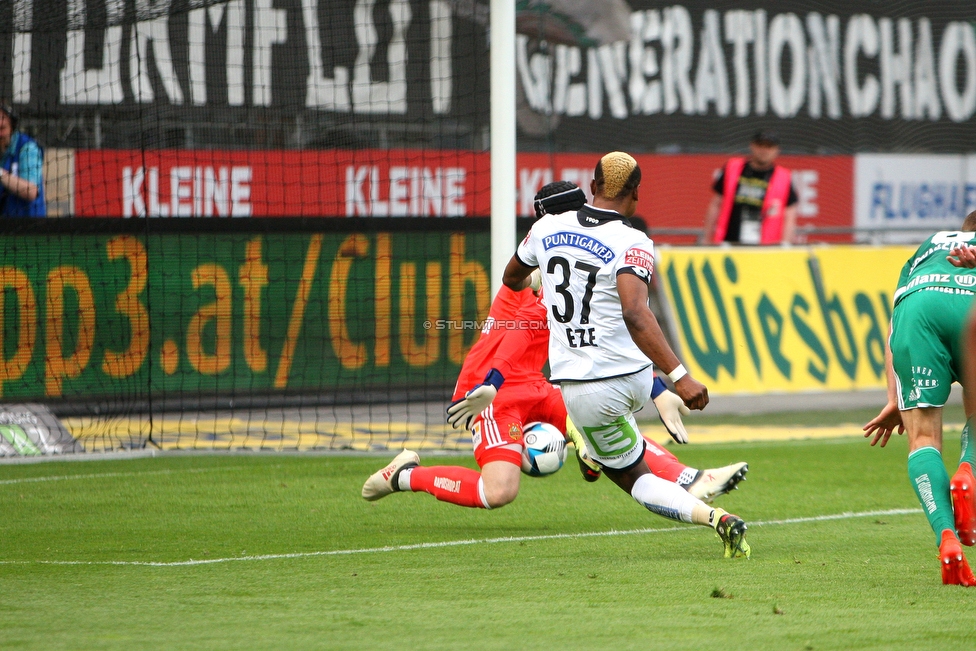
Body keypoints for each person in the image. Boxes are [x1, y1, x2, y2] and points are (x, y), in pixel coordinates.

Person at [360, 182, 748, 512]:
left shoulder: (573, 268)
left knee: (608, 418)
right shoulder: (534, 274)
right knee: (499, 491)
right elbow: (519, 334)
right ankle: (406, 476)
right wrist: (493, 382)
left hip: (536, 385)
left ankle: (692, 479)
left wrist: (657, 388)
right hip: (490, 391)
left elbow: (607, 342)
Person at [502, 152, 751, 558]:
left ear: (593, 185)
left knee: (635, 477)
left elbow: (511, 277)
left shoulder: (546, 227)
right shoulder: (634, 240)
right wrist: (674, 377)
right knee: (616, 442)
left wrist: (540, 277)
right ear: (635, 195)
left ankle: (713, 517)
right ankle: (596, 450)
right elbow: (635, 310)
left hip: (587, 388)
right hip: (638, 377)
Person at [863, 213, 976, 586]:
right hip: (970, 308)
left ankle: (947, 538)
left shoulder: (928, 246)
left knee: (923, 438)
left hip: (918, 311)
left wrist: (896, 396)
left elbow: (897, 321)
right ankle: (968, 471)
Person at [701, 130, 796, 245]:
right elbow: (715, 204)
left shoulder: (783, 177)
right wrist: (706, 238)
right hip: (729, 241)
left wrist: (785, 245)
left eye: (769, 147)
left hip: (765, 248)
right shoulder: (732, 168)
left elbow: (789, 215)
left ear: (777, 150)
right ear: (752, 146)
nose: (764, 150)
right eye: (760, 145)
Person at [0, 103, 45, 217]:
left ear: (12, 127)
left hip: (29, 227)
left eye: (2, 128)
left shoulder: (27, 148)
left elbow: (31, 191)